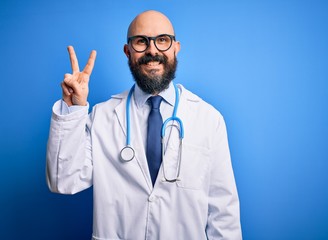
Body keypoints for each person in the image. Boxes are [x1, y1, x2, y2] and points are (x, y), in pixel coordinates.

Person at [46, 10, 242, 240]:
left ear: (176, 47)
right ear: (127, 52)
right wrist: (73, 108)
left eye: (162, 40)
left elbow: (223, 213)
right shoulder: (103, 116)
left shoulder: (209, 119)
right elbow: (63, 180)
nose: (152, 50)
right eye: (141, 41)